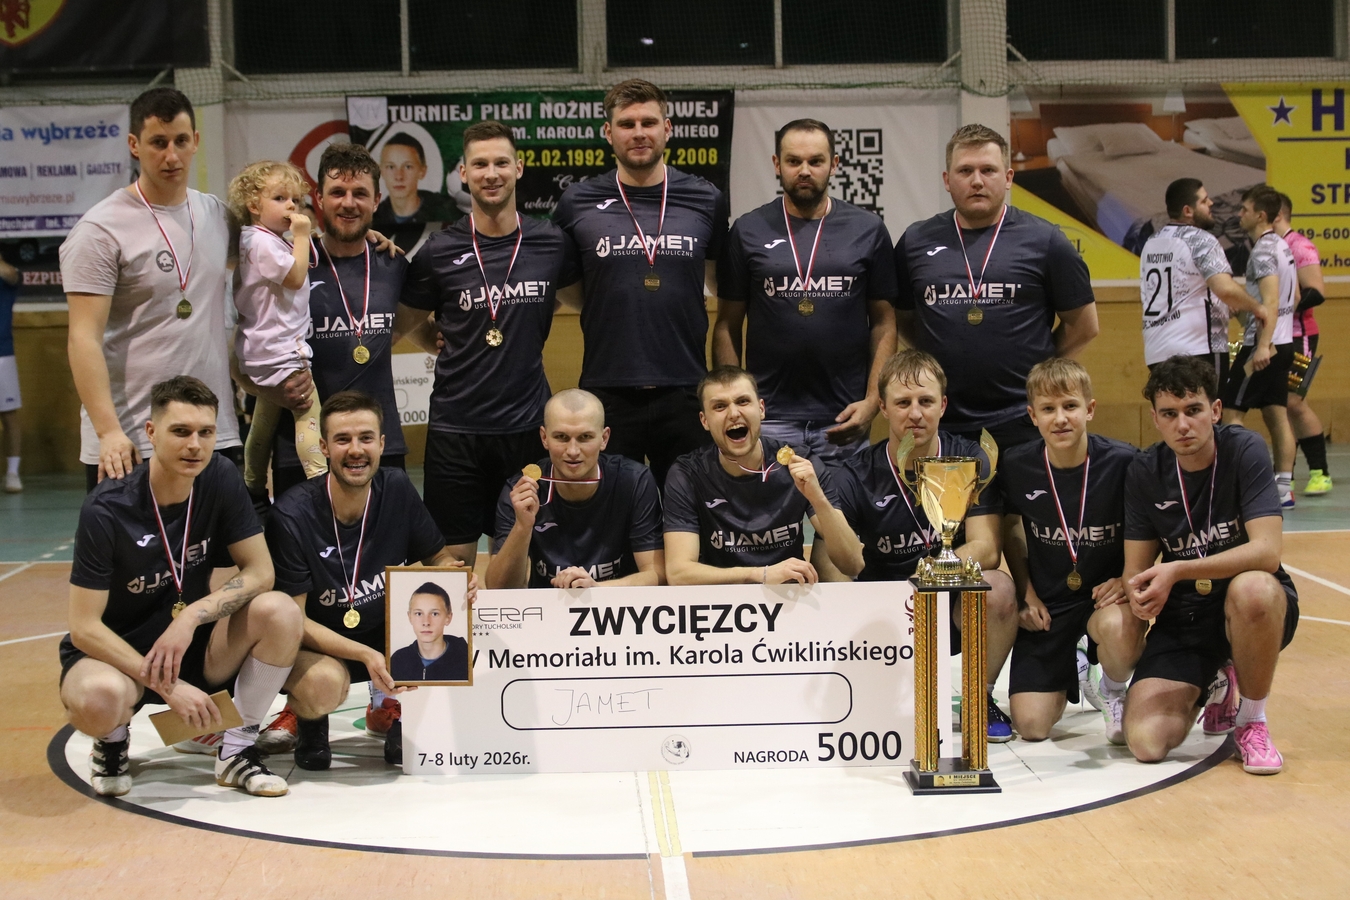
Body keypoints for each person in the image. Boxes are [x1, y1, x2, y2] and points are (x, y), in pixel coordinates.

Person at [59, 376, 302, 797]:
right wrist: (167, 687)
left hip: (191, 645)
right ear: (151, 432)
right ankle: (112, 741)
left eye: (206, 432)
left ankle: (236, 750)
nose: (195, 445)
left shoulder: (219, 477)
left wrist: (191, 617)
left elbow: (260, 571)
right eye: (181, 431)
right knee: (98, 700)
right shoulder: (107, 507)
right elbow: (84, 628)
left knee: (280, 611)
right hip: (120, 657)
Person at [400, 121, 582, 569]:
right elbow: (403, 323)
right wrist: (434, 339)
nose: (491, 173)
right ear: (463, 173)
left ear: (518, 168)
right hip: (455, 431)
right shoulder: (438, 250)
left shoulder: (551, 243)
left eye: (501, 162)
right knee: (453, 562)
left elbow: (583, 301)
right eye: (480, 164)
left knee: (519, 555)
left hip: (526, 428)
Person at [265, 391, 475, 768]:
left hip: (384, 637)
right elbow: (294, 622)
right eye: (342, 439)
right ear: (324, 447)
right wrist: (363, 654)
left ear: (381, 444)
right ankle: (310, 719)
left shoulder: (397, 489)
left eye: (365, 438)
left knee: (439, 637)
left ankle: (396, 716)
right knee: (324, 683)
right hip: (322, 645)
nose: (355, 450)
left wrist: (457, 577)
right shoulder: (291, 515)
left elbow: (439, 557)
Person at [830, 349, 1017, 741]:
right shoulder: (855, 474)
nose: (915, 413)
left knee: (998, 588)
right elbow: (835, 565)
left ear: (943, 405)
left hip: (949, 604)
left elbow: (986, 547)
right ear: (883, 408)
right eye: (903, 403)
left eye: (926, 401)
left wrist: (930, 574)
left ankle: (979, 698)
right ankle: (868, 687)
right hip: (885, 614)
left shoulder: (970, 459)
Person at [1124, 355, 1298, 774]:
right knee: (1146, 742)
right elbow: (1136, 569)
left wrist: (1178, 570)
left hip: (1251, 607)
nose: (1183, 425)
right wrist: (1139, 594)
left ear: (1215, 410)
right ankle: (1217, 682)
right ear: (1155, 419)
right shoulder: (1145, 471)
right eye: (1170, 414)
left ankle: (1251, 721)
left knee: (1253, 588)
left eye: (1193, 410)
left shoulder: (1244, 449)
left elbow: (1267, 552)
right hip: (1186, 615)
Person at [553, 79, 730, 487]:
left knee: (688, 512)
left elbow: (718, 281)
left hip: (685, 388)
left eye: (648, 123)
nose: (638, 133)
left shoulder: (706, 198)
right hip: (607, 389)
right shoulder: (577, 202)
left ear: (667, 129)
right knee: (612, 513)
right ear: (608, 132)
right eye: (626, 124)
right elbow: (566, 286)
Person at [61, 88, 240, 490]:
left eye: (180, 141)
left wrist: (362, 240)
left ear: (195, 141)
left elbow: (273, 254)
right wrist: (108, 432)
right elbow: (83, 338)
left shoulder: (216, 215)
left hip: (211, 433)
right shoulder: (100, 229)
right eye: (158, 143)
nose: (171, 156)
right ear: (134, 145)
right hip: (131, 438)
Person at [892, 123, 1098, 449]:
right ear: (947, 180)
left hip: (1022, 415)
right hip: (942, 418)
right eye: (965, 171)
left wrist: (1039, 369)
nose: (977, 181)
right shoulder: (915, 241)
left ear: (1008, 177)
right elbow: (900, 317)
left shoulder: (1046, 241)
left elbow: (1084, 326)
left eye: (988, 170)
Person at [714, 118, 898, 466]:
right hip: (767, 418)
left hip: (844, 418)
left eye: (815, 161)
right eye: (793, 161)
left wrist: (873, 401)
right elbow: (727, 324)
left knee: (842, 504)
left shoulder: (868, 229)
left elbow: (884, 323)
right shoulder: (747, 230)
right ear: (777, 164)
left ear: (834, 164)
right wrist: (735, 405)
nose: (804, 170)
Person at [1000, 358, 1145, 744]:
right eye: (1048, 409)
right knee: (1031, 727)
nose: (1060, 418)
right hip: (1050, 606)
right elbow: (1010, 527)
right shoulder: (1017, 465)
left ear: (1090, 409)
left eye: (1070, 406)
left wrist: (1127, 578)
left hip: (1106, 599)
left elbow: (1154, 528)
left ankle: (1112, 687)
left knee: (1118, 630)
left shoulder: (1125, 462)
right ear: (1033, 416)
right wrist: (1026, 593)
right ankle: (1078, 665)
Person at [260, 142, 415, 499]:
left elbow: (413, 325)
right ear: (318, 198)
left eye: (360, 193)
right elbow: (243, 349)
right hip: (303, 449)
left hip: (380, 445)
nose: (348, 203)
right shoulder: (288, 265)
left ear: (376, 200)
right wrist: (269, 390)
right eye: (337, 192)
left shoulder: (394, 265)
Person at [663, 365, 863, 585]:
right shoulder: (687, 473)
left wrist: (818, 499)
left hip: (790, 596)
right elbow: (678, 574)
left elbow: (853, 564)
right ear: (704, 421)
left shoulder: (801, 462)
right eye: (720, 406)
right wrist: (760, 574)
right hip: (723, 596)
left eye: (743, 401)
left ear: (761, 409)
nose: (733, 413)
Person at [487, 389, 663, 589]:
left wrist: (596, 590)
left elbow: (657, 574)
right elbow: (497, 589)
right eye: (561, 437)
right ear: (544, 438)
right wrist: (522, 526)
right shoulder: (521, 490)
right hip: (548, 606)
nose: (572, 451)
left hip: (616, 605)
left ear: (604, 438)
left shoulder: (634, 481)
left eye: (585, 437)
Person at [227, 160, 326, 501]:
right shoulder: (262, 242)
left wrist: (301, 240)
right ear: (253, 205)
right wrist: (301, 235)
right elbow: (296, 277)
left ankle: (253, 487)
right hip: (281, 351)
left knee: (264, 421)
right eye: (280, 198)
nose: (291, 207)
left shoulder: (257, 240)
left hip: (261, 352)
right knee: (308, 414)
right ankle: (320, 484)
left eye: (296, 200)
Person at [1137, 178, 1269, 384]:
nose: (1211, 203)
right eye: (1204, 201)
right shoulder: (1200, 239)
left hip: (1157, 350)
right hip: (1197, 349)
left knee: (1170, 405)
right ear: (1188, 211)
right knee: (1208, 405)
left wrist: (1221, 305)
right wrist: (1258, 308)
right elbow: (1225, 289)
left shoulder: (1151, 243)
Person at [1219, 186, 1298, 508]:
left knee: (1230, 412)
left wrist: (1263, 345)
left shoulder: (1264, 251)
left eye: (1245, 210)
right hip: (1284, 342)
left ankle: (1242, 485)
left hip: (1264, 347)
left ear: (1261, 215)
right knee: (1276, 414)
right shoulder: (1283, 246)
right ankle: (1283, 489)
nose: (1240, 215)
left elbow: (1271, 301)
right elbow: (1293, 298)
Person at [1273, 193, 1333, 496]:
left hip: (1300, 334)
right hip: (1275, 335)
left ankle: (1320, 472)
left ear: (1275, 214)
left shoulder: (1299, 246)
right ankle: (1286, 475)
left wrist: (1281, 308)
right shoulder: (1268, 246)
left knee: (1294, 402)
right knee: (1278, 405)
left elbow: (1316, 292)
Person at [372, 133, 458, 251]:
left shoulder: (444, 210)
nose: (399, 176)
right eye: (391, 167)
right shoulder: (374, 216)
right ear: (381, 171)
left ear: (422, 171)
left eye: (408, 167)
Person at [389, 582, 469, 681]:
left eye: (434, 614)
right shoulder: (398, 661)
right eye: (419, 614)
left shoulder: (467, 656)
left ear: (448, 618)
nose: (426, 622)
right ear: (410, 617)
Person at [0, 255, 20, 492]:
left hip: (2, 352)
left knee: (9, 414)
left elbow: (12, 275)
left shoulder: (7, 274)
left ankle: (13, 473)